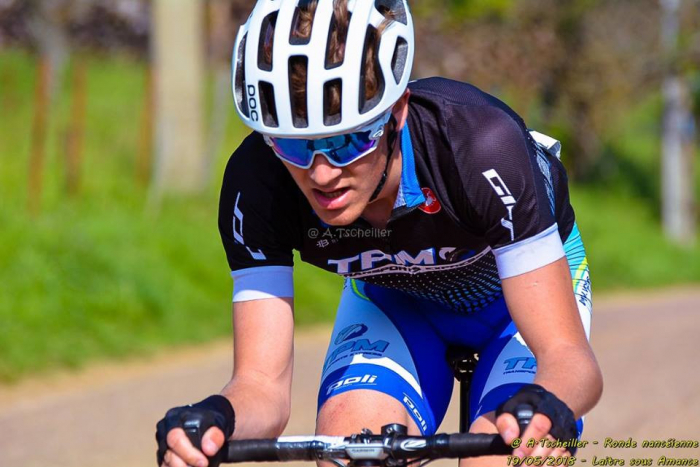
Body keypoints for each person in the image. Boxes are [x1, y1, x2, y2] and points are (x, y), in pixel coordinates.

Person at [155, 1, 603, 466]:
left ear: (398, 111)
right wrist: (216, 418)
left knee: (505, 454)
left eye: (347, 140)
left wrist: (549, 405)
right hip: (397, 306)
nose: (322, 174)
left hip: (516, 309)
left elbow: (569, 359)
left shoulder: (479, 147)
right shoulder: (258, 182)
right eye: (294, 144)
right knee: (350, 448)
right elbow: (262, 386)